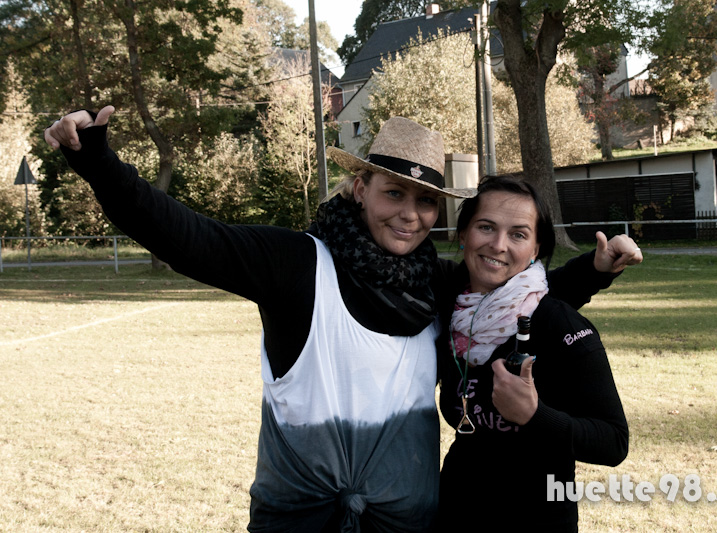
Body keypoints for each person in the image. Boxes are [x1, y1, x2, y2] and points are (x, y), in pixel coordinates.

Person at [44, 107, 638, 532]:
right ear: (360, 188)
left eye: (424, 201)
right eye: (393, 193)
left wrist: (593, 270)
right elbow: (189, 238)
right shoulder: (296, 264)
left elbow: (514, 301)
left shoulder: (435, 284)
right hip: (300, 517)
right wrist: (100, 166)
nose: (409, 215)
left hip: (406, 521)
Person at [436, 176, 631, 532]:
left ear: (535, 248)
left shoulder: (558, 322)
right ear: (463, 233)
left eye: (518, 234)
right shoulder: (450, 305)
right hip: (452, 512)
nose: (498, 245)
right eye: (486, 227)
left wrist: (535, 415)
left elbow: (613, 442)